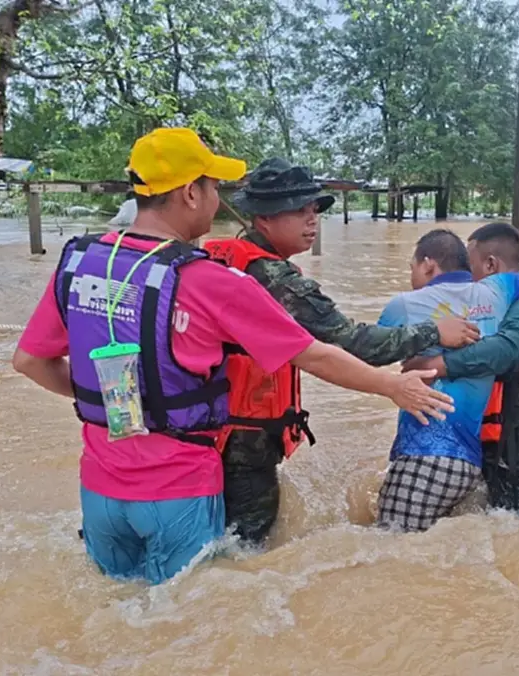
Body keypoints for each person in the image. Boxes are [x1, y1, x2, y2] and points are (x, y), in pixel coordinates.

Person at [12, 128, 454, 585]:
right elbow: (317, 354)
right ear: (189, 192)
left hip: (100, 488)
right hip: (177, 489)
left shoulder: (80, 262)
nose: (218, 200)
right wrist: (392, 386)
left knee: (112, 612)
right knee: (190, 618)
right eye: (212, 187)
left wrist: (121, 401)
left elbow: (28, 361)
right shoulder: (211, 281)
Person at [203, 157, 480, 545]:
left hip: (210, 430)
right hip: (244, 443)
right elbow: (353, 342)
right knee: (247, 549)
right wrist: (435, 331)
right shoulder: (274, 278)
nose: (312, 219)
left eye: (314, 209)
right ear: (263, 218)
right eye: (299, 210)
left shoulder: (224, 260)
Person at [375, 228, 519, 532]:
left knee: (384, 553)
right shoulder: (495, 291)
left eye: (412, 268)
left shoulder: (405, 305)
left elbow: (362, 352)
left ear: (428, 265)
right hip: (467, 463)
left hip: (425, 457)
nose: (411, 277)